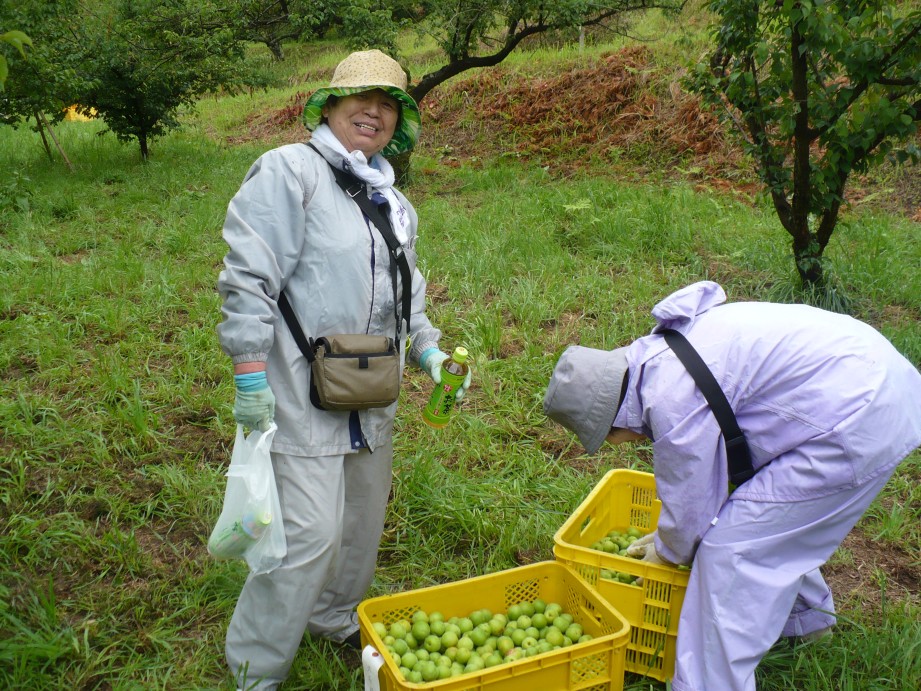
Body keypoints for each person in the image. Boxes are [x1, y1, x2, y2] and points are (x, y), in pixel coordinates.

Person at [216, 49, 471, 690]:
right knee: (308, 535)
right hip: (302, 390)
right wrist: (250, 373)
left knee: (359, 525)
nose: (375, 112)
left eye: (390, 104)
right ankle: (255, 667)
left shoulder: (390, 200)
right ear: (329, 106)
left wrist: (431, 352)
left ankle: (332, 619)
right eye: (363, 98)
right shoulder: (289, 172)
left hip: (371, 390)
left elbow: (405, 297)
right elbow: (249, 277)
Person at [542, 280, 921, 691]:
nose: (619, 444)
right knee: (767, 520)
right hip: (868, 371)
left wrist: (666, 552)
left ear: (611, 424)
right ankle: (804, 623)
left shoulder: (668, 401)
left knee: (732, 552)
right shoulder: (661, 352)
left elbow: (691, 512)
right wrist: (672, 540)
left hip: (857, 414)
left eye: (607, 438)